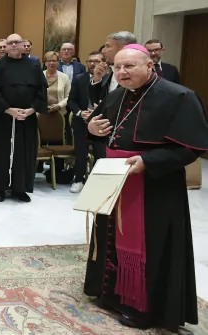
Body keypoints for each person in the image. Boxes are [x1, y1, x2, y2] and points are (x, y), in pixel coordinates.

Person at [85, 44, 208, 332]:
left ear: (150, 65)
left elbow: (193, 147)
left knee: (149, 246)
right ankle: (111, 294)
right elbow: (98, 126)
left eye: (129, 66)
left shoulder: (179, 97)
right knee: (111, 236)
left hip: (155, 187)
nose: (122, 72)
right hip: (116, 180)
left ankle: (145, 309)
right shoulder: (117, 94)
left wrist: (149, 161)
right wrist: (92, 129)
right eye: (118, 67)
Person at [0, 33, 48, 203]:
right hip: (4, 117)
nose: (13, 46)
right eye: (9, 43)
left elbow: (41, 91)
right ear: (5, 46)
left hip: (27, 118)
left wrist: (32, 109)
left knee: (24, 152)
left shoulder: (34, 66)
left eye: (16, 43)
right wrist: (8, 109)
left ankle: (20, 188)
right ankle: (0, 187)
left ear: (23, 45)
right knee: (2, 152)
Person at [67, 50, 107, 193]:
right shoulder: (79, 78)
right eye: (89, 61)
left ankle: (97, 182)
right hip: (81, 122)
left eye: (96, 61)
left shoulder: (109, 79)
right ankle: (79, 179)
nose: (92, 64)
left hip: (101, 122)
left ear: (103, 63)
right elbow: (71, 100)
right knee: (81, 152)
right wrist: (80, 112)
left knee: (100, 153)